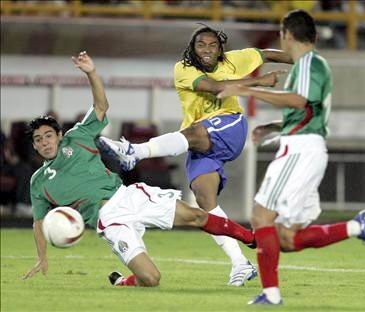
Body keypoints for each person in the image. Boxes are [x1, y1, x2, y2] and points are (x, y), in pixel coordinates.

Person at [22, 52, 258, 287]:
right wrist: (41, 257)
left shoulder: (77, 137)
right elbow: (39, 222)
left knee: (196, 215)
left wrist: (91, 73)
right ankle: (124, 281)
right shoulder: (39, 181)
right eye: (39, 140)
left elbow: (101, 106)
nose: (45, 142)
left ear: (59, 136)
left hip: (129, 197)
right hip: (111, 222)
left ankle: (251, 238)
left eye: (48, 136)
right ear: (34, 145)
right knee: (151, 278)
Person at [217, 9, 365, 305]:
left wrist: (245, 89)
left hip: (300, 151)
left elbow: (299, 101)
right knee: (286, 238)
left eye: (281, 33)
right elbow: (308, 110)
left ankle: (271, 295)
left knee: (261, 216)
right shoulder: (308, 65)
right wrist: (274, 127)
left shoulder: (310, 62)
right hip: (303, 148)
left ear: (287, 33)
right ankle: (357, 226)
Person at [98, 24, 293, 286]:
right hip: (200, 140)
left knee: (194, 133)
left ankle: (135, 152)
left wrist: (305, 60)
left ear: (220, 48)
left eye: (213, 45)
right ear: (192, 48)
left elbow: (266, 53)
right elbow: (213, 87)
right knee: (205, 199)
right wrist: (258, 81)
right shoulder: (184, 68)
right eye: (201, 45)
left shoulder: (234, 60)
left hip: (229, 126)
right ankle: (240, 264)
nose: (207, 50)